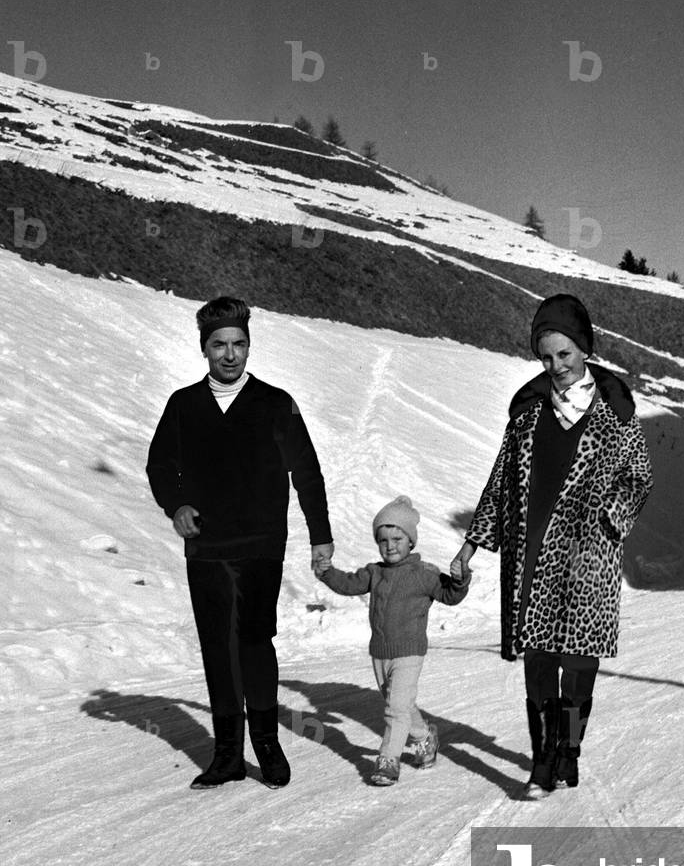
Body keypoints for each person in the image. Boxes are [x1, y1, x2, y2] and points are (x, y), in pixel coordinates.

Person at [451, 294, 653, 799]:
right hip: (532, 555)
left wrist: (611, 520)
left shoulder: (617, 412)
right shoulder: (526, 413)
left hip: (588, 555)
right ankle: (543, 761)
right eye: (546, 357)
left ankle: (570, 750)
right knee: (539, 661)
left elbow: (639, 477)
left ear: (583, 349)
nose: (556, 366)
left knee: (578, 662)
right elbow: (500, 482)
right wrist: (472, 545)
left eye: (564, 355)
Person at [146, 297, 333, 790]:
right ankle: (227, 754)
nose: (230, 355)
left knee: (252, 640)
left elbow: (307, 473)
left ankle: (267, 746)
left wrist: (321, 537)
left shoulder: (275, 403)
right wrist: (177, 505)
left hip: (260, 543)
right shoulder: (183, 405)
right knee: (216, 647)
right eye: (219, 346)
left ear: (249, 346)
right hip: (206, 547)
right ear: (204, 349)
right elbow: (161, 466)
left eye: (238, 345)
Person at [315, 496, 471, 786]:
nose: (390, 545)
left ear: (411, 540)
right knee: (399, 703)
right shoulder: (375, 573)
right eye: (383, 540)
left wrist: (461, 580)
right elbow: (349, 584)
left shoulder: (423, 574)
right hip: (380, 652)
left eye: (397, 538)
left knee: (395, 708)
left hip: (409, 652)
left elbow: (450, 595)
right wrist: (327, 573)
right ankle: (425, 738)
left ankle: (388, 760)